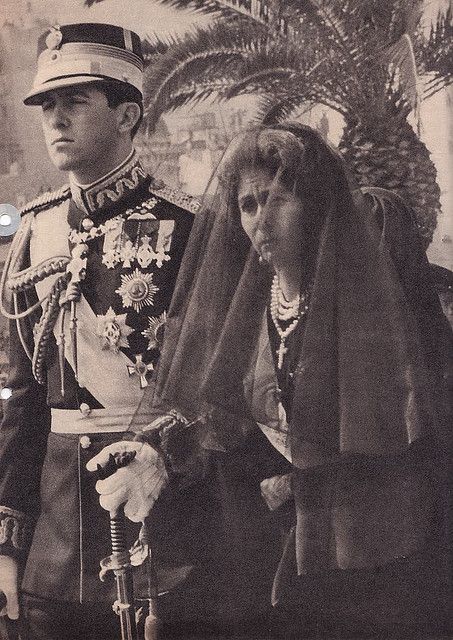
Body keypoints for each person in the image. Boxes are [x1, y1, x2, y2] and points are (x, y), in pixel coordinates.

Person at [127, 123, 453, 639]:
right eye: (249, 204)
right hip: (278, 539)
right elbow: (226, 423)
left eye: (279, 200)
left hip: (370, 542)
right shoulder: (250, 308)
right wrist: (159, 451)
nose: (261, 219)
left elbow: (396, 431)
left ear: (316, 206)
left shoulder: (367, 302)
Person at [0, 23, 200, 640]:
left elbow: (211, 390)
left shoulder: (188, 230)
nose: (55, 119)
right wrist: (8, 543)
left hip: (160, 518)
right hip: (56, 541)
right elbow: (20, 399)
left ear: (127, 113)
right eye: (47, 106)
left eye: (76, 101)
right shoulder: (34, 234)